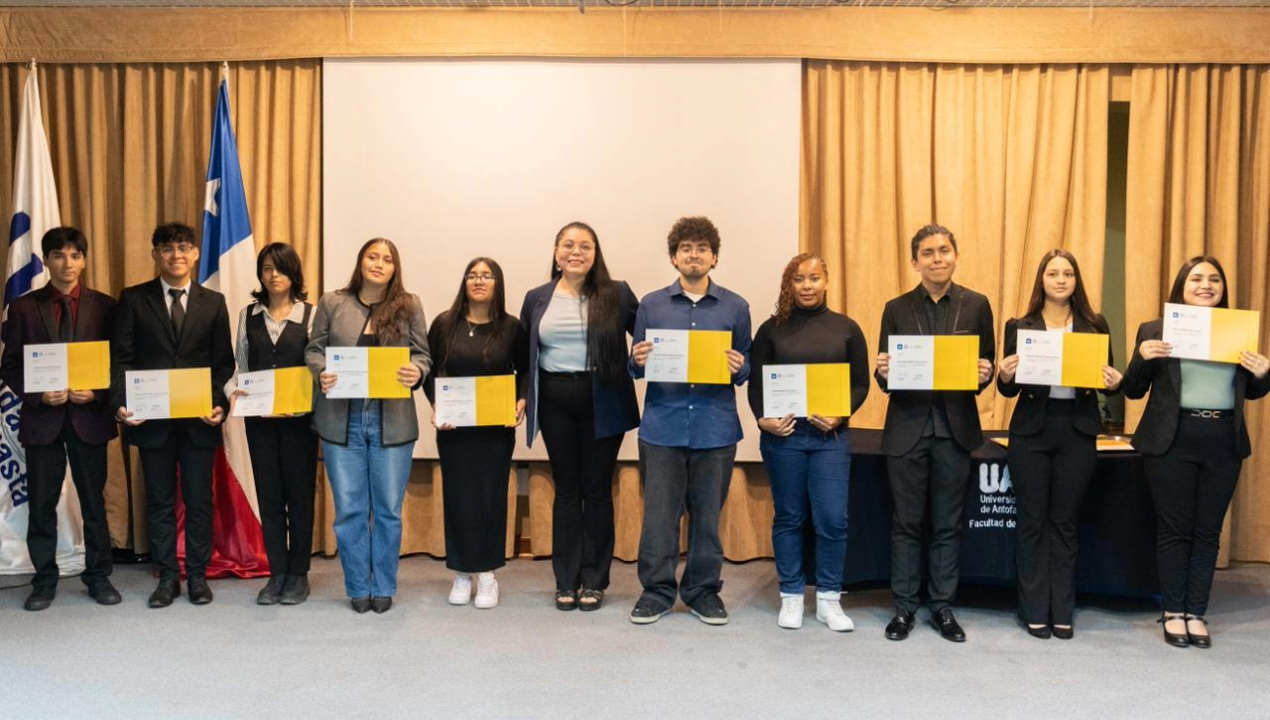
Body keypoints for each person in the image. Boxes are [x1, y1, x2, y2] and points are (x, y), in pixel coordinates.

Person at [1123, 256, 1269, 649]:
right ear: (1181, 287)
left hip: (1223, 439)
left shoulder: (1237, 331)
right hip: (1172, 439)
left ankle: (1196, 612)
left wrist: (1263, 372)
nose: (1206, 285)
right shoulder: (1155, 330)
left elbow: (1253, 391)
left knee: (1207, 531)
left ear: (1222, 289)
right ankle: (1173, 611)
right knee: (1174, 529)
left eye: (1214, 280)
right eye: (1197, 279)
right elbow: (1132, 390)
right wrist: (1142, 357)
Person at [874, 224, 994, 642]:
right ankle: (905, 608)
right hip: (908, 428)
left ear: (955, 256)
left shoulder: (977, 305)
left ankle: (943, 607)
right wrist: (882, 371)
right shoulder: (896, 307)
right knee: (906, 523)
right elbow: (885, 372)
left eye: (944, 250)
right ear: (915, 262)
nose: (937, 258)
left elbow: (986, 366)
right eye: (928, 253)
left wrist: (986, 372)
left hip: (955, 430)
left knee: (947, 524)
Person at [628, 216, 750, 626]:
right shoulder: (651, 304)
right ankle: (656, 590)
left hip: (715, 428)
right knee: (659, 517)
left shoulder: (736, 307)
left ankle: (702, 591)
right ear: (674, 257)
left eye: (701, 248)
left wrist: (739, 365)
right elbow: (636, 365)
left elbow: (744, 365)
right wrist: (637, 360)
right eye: (685, 248)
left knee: (707, 518)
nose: (693, 254)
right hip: (662, 426)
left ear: (714, 257)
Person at [997, 249, 1122, 640]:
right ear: (1042, 280)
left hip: (1078, 430)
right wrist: (1004, 374)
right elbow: (1007, 387)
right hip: (1032, 430)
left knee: (1065, 523)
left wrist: (1115, 381)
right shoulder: (1020, 325)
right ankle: (1034, 608)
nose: (1061, 279)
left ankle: (1061, 609)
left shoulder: (1094, 325)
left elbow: (1107, 382)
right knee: (1033, 521)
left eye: (1068, 273)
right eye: (1053, 273)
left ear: (1076, 280)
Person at [111, 222, 234, 608]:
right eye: (167, 248)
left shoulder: (213, 302)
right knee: (160, 501)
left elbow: (223, 364)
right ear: (155, 255)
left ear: (196, 253)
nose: (176, 255)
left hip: (199, 421)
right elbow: (121, 360)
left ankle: (197, 575)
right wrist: (120, 404)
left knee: (199, 500)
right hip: (151, 423)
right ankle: (167, 577)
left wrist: (221, 405)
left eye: (183, 248)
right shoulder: (133, 299)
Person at [306, 238, 430, 614]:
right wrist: (321, 371)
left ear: (395, 267)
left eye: (387, 259)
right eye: (372, 256)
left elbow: (423, 355)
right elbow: (314, 349)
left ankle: (384, 586)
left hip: (391, 419)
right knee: (350, 510)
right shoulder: (332, 302)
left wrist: (417, 371)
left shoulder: (410, 305)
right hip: (341, 420)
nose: (379, 263)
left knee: (388, 510)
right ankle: (358, 586)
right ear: (360, 261)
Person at [519, 222, 639, 612]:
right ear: (555, 253)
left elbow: (650, 335)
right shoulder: (536, 298)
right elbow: (524, 355)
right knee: (567, 489)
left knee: (598, 489)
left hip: (602, 397)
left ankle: (595, 579)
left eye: (585, 246)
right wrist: (521, 396)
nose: (576, 251)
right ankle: (565, 580)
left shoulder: (616, 293)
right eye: (568, 245)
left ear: (595, 253)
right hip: (554, 398)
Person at [748, 252, 869, 631]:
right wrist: (763, 420)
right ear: (790, 284)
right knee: (789, 517)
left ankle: (830, 600)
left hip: (829, 437)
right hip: (784, 438)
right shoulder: (771, 329)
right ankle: (792, 596)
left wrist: (841, 414)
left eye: (814, 278)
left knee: (832, 518)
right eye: (799, 279)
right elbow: (756, 386)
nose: (806, 286)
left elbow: (860, 384)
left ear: (826, 280)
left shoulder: (847, 328)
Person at [0, 227, 120, 611]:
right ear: (46, 260)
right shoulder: (22, 307)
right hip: (43, 418)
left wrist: (98, 392)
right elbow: (11, 365)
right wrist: (38, 393)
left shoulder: (105, 306)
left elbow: (117, 363)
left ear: (84, 260)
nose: (67, 263)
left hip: (89, 416)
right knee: (41, 503)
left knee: (93, 503)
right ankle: (44, 579)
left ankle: (98, 576)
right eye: (59, 255)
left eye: (75, 256)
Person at [426, 257, 528, 610]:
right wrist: (437, 406)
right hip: (454, 429)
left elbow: (525, 371)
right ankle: (460, 572)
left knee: (490, 498)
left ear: (497, 283)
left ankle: (486, 574)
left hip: (495, 430)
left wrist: (521, 400)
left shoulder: (512, 327)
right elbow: (429, 373)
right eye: (472, 275)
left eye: (486, 276)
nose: (479, 281)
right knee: (458, 498)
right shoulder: (444, 324)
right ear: (464, 283)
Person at [226, 243, 318, 606]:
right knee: (270, 495)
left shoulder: (310, 315)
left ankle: (298, 574)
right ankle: (277, 572)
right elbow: (241, 369)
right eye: (266, 268)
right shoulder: (247, 315)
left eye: (280, 268)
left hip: (300, 423)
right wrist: (236, 392)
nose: (273, 275)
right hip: (261, 422)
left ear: (293, 273)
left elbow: (318, 369)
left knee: (299, 497)